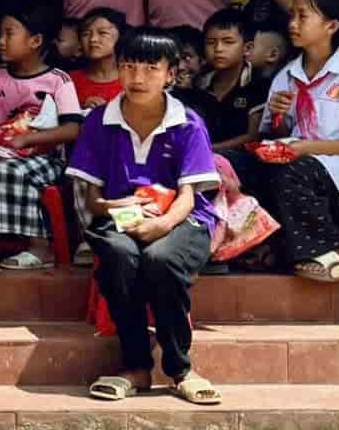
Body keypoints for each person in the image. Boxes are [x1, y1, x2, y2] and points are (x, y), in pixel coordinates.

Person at [71, 27, 223, 406]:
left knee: (161, 259)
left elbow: (190, 195)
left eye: (151, 69)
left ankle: (180, 369)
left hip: (181, 217)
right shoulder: (98, 121)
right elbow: (92, 198)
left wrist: (162, 224)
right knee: (120, 257)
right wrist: (116, 208)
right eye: (129, 67)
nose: (138, 78)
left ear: (171, 74)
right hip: (120, 215)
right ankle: (136, 366)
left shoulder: (187, 122)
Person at [225, 0, 339, 282]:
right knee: (227, 164)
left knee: (293, 172)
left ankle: (331, 253)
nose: (292, 24)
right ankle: (249, 244)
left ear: (331, 26)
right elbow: (277, 134)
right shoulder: (287, 75)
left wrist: (305, 148)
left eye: (302, 16)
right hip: (296, 156)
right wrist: (279, 118)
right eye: (292, 16)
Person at [0, 3, 83, 271]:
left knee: (9, 171)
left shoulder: (58, 80)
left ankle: (38, 247)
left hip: (46, 159)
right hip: (1, 153)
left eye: (9, 33)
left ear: (35, 41)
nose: (0, 41)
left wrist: (30, 139)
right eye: (0, 33)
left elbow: (73, 129)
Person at [180, 7, 260, 152]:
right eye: (211, 42)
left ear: (247, 49)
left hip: (240, 160)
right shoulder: (199, 83)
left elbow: (253, 136)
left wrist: (209, 150)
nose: (218, 49)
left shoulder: (258, 84)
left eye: (228, 42)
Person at [71, 8, 128, 111]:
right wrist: (81, 110)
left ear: (121, 37)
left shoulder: (132, 80)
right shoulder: (69, 82)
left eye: (102, 33)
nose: (93, 39)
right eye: (86, 34)